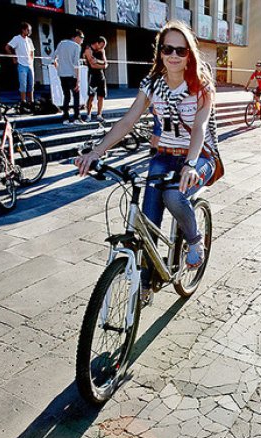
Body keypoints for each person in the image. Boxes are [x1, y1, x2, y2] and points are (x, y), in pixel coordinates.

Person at [75, 20, 219, 305]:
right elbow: (128, 121)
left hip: (199, 156)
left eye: (181, 50)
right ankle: (146, 283)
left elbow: (200, 129)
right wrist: (97, 152)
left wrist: (190, 164)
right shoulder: (151, 84)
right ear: (160, 52)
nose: (174, 55)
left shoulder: (200, 86)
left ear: (189, 53)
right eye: (168, 49)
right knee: (148, 222)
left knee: (174, 197)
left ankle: (193, 240)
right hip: (164, 156)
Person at [52, 29, 85, 124]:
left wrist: (58, 68)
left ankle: (65, 117)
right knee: (76, 96)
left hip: (62, 74)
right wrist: (78, 80)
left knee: (66, 96)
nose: (82, 41)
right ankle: (76, 117)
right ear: (76, 37)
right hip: (72, 74)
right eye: (81, 38)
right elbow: (76, 64)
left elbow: (54, 58)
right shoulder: (76, 46)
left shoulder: (61, 43)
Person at [6, 22, 36, 107]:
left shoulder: (29, 40)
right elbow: (7, 47)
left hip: (29, 65)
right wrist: (13, 58)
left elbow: (32, 51)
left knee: (31, 84)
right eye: (27, 30)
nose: (29, 32)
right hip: (21, 64)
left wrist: (32, 60)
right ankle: (23, 102)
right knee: (23, 84)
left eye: (30, 30)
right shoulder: (17, 38)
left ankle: (31, 102)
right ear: (23, 30)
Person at [84, 36, 108, 122]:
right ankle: (88, 115)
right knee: (91, 96)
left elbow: (106, 64)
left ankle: (99, 114)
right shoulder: (88, 50)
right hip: (92, 76)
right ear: (97, 43)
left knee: (101, 96)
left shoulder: (102, 51)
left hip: (101, 76)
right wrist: (101, 64)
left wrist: (98, 61)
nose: (102, 48)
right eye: (101, 45)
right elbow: (92, 65)